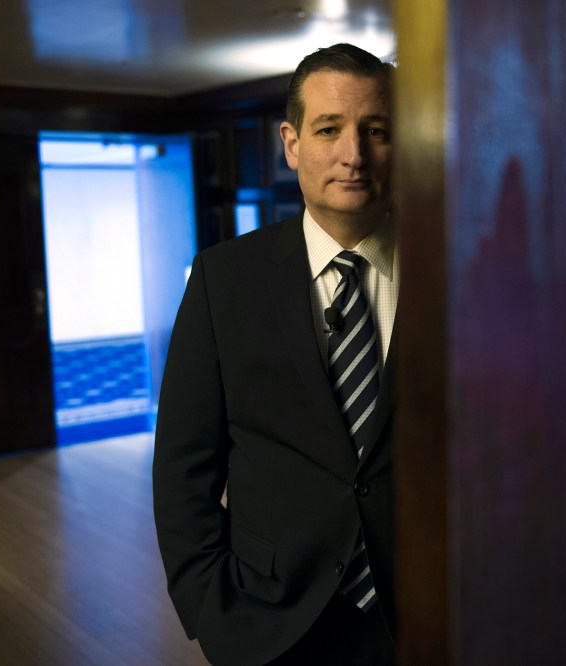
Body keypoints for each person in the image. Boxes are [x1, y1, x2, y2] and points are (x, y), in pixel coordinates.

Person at [152, 43, 398, 666]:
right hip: (270, 620)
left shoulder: (465, 272)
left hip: (431, 615)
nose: (353, 154)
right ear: (291, 144)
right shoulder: (221, 279)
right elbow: (184, 466)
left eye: (376, 130)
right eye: (328, 129)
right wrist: (209, 609)